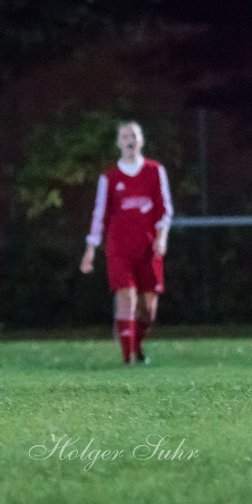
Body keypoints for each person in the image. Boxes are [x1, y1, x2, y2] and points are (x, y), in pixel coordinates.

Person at [79, 121, 173, 365]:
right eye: (124, 136)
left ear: (141, 140)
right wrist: (91, 249)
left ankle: (137, 345)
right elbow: (99, 214)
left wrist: (162, 238)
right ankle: (126, 358)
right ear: (118, 142)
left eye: (133, 135)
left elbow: (165, 209)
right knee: (126, 297)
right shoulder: (109, 178)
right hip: (119, 248)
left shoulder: (154, 171)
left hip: (148, 247)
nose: (129, 140)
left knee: (148, 308)